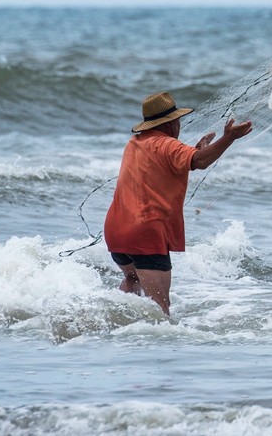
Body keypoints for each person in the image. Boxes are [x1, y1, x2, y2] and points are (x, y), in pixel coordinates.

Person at [104, 91, 252, 316]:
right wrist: (228, 138)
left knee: (133, 279)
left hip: (116, 231)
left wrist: (195, 151)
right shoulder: (168, 145)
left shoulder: (135, 143)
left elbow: (176, 161)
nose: (179, 124)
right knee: (160, 308)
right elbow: (199, 161)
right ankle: (148, 337)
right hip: (145, 232)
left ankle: (113, 323)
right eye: (178, 120)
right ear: (170, 123)